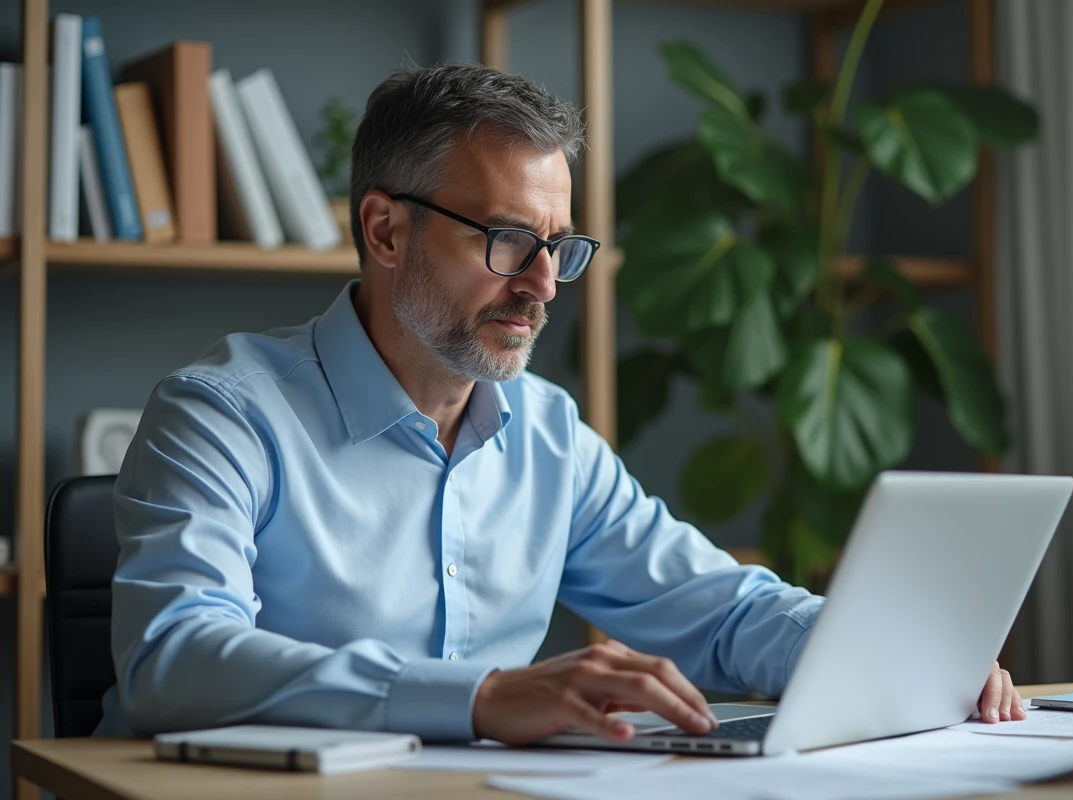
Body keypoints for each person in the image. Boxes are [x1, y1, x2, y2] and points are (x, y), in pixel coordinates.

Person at [95, 63, 1025, 743]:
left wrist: (888, 647)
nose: (543, 285)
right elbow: (172, 656)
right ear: (384, 229)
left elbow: (719, 612)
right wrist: (480, 695)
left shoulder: (545, 433)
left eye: (560, 247)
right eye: (506, 240)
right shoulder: (220, 416)